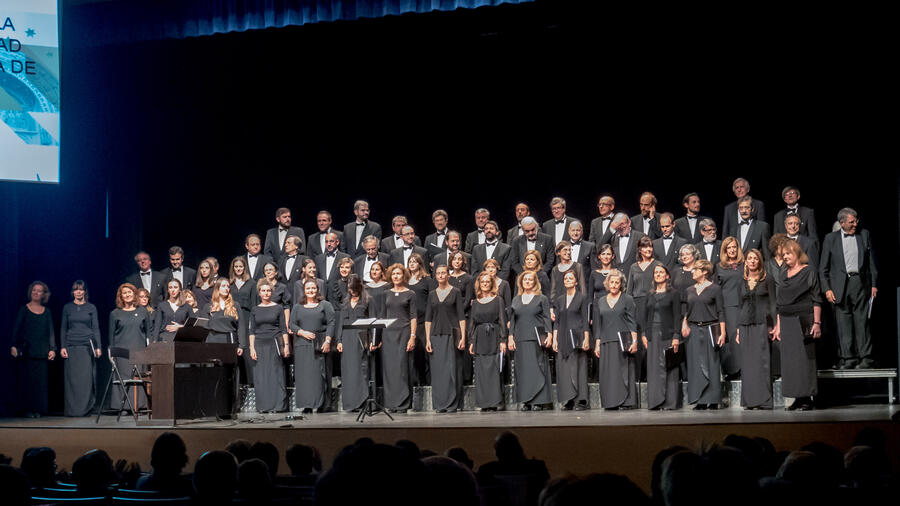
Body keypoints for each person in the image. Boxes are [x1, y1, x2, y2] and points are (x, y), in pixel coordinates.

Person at [820, 208, 877, 370]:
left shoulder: (864, 234)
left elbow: (871, 263)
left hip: (859, 282)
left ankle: (865, 357)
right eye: (851, 222)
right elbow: (823, 268)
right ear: (842, 223)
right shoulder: (830, 238)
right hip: (839, 285)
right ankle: (848, 358)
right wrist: (827, 289)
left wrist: (874, 284)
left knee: (862, 321)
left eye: (856, 221)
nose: (855, 224)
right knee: (843, 322)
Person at [776, 239, 823, 410]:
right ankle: (796, 397)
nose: (785, 257)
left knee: (804, 360)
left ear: (796, 253)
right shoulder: (783, 274)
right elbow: (780, 303)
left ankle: (807, 398)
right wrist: (778, 325)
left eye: (788, 253)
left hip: (803, 319)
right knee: (791, 361)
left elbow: (816, 298)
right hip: (786, 321)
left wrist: (817, 322)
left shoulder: (808, 271)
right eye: (783, 255)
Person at [681, 259, 726, 410]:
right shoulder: (689, 290)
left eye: (695, 269)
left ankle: (713, 400)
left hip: (710, 329)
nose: (692, 272)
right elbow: (687, 311)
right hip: (694, 330)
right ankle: (699, 400)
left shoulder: (715, 289)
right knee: (695, 366)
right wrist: (684, 324)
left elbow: (720, 311)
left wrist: (722, 332)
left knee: (712, 364)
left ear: (705, 271)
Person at [736, 249, 776, 409]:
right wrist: (738, 329)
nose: (752, 261)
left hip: (762, 323)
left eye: (755, 258)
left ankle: (764, 400)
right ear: (746, 261)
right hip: (745, 324)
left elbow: (773, 303)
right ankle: (750, 401)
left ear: (760, 261)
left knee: (762, 362)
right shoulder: (742, 280)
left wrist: (775, 325)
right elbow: (740, 305)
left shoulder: (767, 279)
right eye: (750, 258)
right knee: (747, 364)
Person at [592, 269, 638, 409]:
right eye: (611, 282)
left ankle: (627, 402)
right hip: (606, 341)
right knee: (608, 374)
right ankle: (610, 402)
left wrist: (634, 341)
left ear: (621, 284)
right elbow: (598, 325)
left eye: (617, 282)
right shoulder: (600, 301)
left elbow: (632, 322)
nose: (613, 285)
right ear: (607, 283)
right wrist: (597, 343)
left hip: (623, 341)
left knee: (623, 372)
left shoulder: (627, 299)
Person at [289, 279, 336, 413]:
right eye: (308, 288)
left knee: (318, 376)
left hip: (319, 344)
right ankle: (307, 405)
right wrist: (302, 332)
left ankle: (321, 404)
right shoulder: (297, 307)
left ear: (317, 289)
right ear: (304, 291)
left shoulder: (325, 305)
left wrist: (327, 341)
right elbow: (292, 324)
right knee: (304, 376)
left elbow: (331, 323)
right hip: (302, 345)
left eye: (313, 288)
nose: (311, 291)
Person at [509, 271, 553, 411]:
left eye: (530, 279)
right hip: (520, 338)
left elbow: (547, 317)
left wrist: (549, 334)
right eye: (525, 279)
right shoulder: (516, 300)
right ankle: (526, 401)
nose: (527, 281)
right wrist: (510, 337)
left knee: (537, 368)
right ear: (521, 282)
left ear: (535, 282)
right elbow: (512, 320)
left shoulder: (542, 298)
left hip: (536, 338)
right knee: (523, 370)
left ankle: (539, 401)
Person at [10, 281, 56, 417]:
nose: (36, 292)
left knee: (40, 383)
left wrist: (52, 349)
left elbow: (50, 331)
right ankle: (28, 410)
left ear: (44, 294)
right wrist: (13, 345)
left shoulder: (47, 312)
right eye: (34, 290)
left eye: (39, 291)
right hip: (27, 351)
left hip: (42, 352)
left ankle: (38, 409)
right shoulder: (24, 309)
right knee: (28, 382)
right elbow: (17, 329)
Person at [425, 265, 467, 412]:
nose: (441, 275)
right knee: (438, 371)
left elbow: (461, 316)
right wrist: (427, 339)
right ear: (435, 276)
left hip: (452, 334)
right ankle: (440, 404)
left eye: (443, 273)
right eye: (438, 273)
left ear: (448, 275)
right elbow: (428, 319)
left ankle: (452, 404)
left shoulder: (455, 292)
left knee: (452, 369)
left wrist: (463, 337)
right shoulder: (432, 294)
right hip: (436, 335)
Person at [643, 265, 683, 410]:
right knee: (654, 368)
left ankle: (669, 402)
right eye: (656, 272)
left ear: (667, 276)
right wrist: (644, 334)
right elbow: (645, 316)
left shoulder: (674, 294)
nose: (658, 274)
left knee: (669, 367)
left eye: (661, 272)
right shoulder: (650, 294)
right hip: (652, 335)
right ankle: (655, 402)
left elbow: (677, 316)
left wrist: (676, 336)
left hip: (668, 334)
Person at [59, 281, 102, 417]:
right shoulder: (67, 307)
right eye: (76, 289)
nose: (78, 292)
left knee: (85, 380)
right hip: (71, 346)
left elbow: (95, 328)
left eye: (81, 289)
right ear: (72, 292)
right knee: (72, 380)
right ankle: (72, 410)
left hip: (87, 347)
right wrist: (63, 346)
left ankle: (85, 409)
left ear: (85, 291)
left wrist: (98, 347)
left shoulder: (91, 307)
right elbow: (63, 328)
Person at [378, 264, 417, 413]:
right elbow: (382, 316)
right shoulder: (385, 293)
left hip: (404, 333)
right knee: (390, 369)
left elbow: (413, 317)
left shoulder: (410, 294)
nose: (396, 276)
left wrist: (412, 336)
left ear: (404, 276)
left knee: (402, 367)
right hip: (388, 335)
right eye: (393, 274)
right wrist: (379, 337)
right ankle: (391, 403)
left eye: (398, 274)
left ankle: (403, 403)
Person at [108, 283, 151, 411]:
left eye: (129, 292)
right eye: (124, 293)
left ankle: (140, 406)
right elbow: (111, 336)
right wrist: (111, 353)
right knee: (124, 378)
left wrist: (149, 349)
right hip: (121, 353)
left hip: (139, 350)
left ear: (134, 294)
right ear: (121, 296)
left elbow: (148, 332)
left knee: (139, 378)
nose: (127, 295)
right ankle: (123, 407)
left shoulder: (143, 311)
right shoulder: (115, 313)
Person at [468, 272, 508, 411]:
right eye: (482, 282)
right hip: (480, 338)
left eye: (487, 281)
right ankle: (484, 403)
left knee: (494, 370)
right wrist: (471, 341)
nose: (485, 284)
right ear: (479, 284)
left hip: (494, 336)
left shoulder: (498, 300)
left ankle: (495, 402)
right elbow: (472, 323)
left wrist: (503, 340)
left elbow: (502, 320)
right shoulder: (475, 302)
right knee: (482, 372)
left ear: (492, 283)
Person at [249, 280, 289, 413]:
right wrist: (251, 347)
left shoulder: (278, 308)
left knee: (276, 374)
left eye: (268, 290)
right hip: (259, 344)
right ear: (259, 293)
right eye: (263, 291)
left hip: (274, 343)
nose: (266, 293)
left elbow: (283, 329)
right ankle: (263, 406)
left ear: (272, 292)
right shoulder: (255, 309)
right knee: (261, 376)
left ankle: (278, 406)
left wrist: (286, 346)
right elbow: (252, 331)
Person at [553, 270, 591, 410]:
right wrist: (555, 339)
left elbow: (585, 320)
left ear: (576, 282)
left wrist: (586, 338)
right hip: (563, 336)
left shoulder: (582, 298)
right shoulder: (559, 299)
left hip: (577, 335)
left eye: (571, 278)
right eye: (566, 278)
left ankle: (581, 400)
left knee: (579, 368)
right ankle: (569, 399)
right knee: (565, 369)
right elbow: (556, 321)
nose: (568, 280)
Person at [336, 275, 369, 412]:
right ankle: (350, 403)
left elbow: (372, 320)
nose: (352, 292)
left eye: (354, 289)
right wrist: (339, 340)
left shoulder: (367, 301)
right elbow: (341, 323)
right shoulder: (345, 303)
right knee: (348, 370)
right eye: (350, 289)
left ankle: (361, 402)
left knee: (360, 369)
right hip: (347, 338)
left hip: (360, 337)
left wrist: (371, 340)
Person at [716, 236, 745, 380]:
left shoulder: (744, 264)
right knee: (732, 338)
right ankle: (733, 370)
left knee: (743, 336)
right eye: (729, 248)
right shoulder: (719, 267)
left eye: (734, 247)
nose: (732, 250)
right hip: (728, 306)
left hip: (744, 304)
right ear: (725, 250)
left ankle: (745, 368)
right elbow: (716, 288)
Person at [407, 253, 433, 386]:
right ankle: (416, 382)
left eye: (414, 261)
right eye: (410, 261)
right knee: (414, 353)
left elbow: (432, 300)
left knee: (424, 352)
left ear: (420, 264)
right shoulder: (405, 280)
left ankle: (427, 382)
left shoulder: (427, 280)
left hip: (424, 321)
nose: (412, 264)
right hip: (410, 321)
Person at [229, 257, 256, 384]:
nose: (238, 269)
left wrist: (252, 321)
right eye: (236, 267)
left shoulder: (251, 283)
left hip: (246, 317)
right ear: (233, 268)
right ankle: (236, 382)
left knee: (245, 348)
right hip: (232, 318)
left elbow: (254, 304)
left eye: (241, 266)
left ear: (244, 268)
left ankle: (249, 382)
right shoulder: (229, 283)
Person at [203, 277, 247, 347]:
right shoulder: (208, 306)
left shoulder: (235, 305)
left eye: (228, 286)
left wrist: (241, 345)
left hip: (229, 340)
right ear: (217, 288)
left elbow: (241, 326)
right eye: (223, 286)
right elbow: (203, 327)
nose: (226, 288)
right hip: (212, 341)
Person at [314, 232, 351, 304]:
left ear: (337, 242)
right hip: (322, 297)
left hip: (339, 298)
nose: (329, 244)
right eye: (326, 241)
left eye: (331, 241)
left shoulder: (345, 257)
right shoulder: (318, 258)